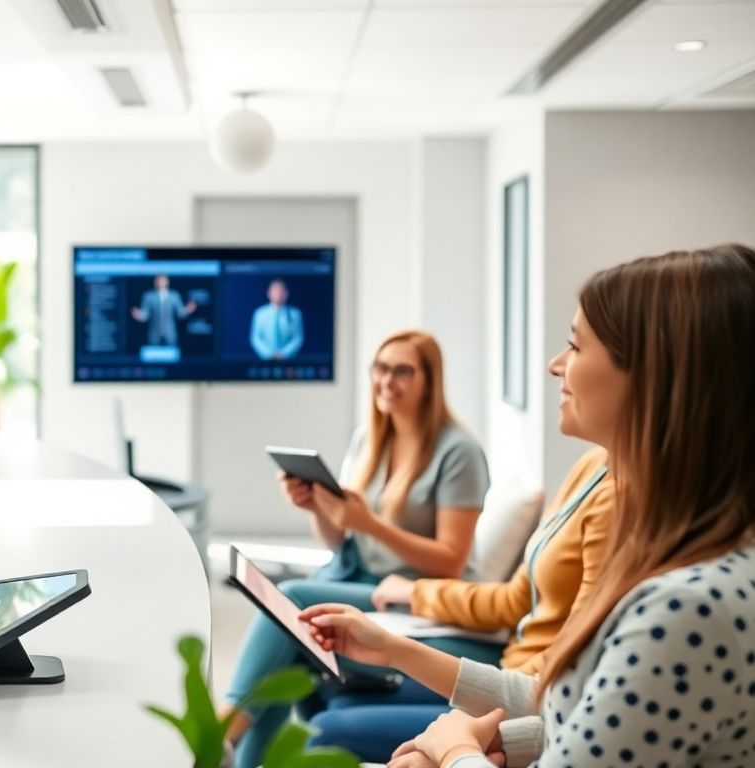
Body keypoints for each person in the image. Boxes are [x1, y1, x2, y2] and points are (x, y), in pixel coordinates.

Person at [300, 244, 755, 768]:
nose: (555, 365)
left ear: (654, 376)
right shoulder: (674, 558)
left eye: (576, 346)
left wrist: (454, 753)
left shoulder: (686, 610)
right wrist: (399, 654)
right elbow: (576, 710)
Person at [221, 330, 491, 768]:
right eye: (381, 369)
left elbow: (451, 560)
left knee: (297, 598)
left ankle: (225, 726)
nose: (387, 381)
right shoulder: (370, 438)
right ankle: (237, 752)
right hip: (362, 576)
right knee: (292, 640)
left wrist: (371, 524)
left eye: (403, 371)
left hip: (420, 596)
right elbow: (342, 541)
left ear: (429, 380)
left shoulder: (459, 452)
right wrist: (317, 509)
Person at [300, 445, 614, 761]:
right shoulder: (592, 465)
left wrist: (460, 747)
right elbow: (516, 598)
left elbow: (565, 683)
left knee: (325, 727)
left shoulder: (618, 503)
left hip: (519, 685)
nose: (562, 391)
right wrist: (395, 638)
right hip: (516, 680)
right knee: (332, 692)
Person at [130, 273, 196, 346]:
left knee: (171, 353)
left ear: (167, 282)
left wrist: (187, 310)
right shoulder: (148, 296)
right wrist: (138, 315)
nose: (160, 283)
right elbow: (145, 315)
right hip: (154, 332)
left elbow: (180, 313)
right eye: (158, 281)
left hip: (170, 332)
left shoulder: (174, 296)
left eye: (162, 281)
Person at [249, 278, 304, 359]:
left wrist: (283, 354)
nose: (278, 294)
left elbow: (298, 338)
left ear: (286, 294)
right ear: (268, 293)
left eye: (281, 292)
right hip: (265, 360)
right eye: (275, 291)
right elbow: (255, 338)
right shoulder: (260, 313)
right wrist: (269, 355)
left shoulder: (295, 314)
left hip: (288, 360)